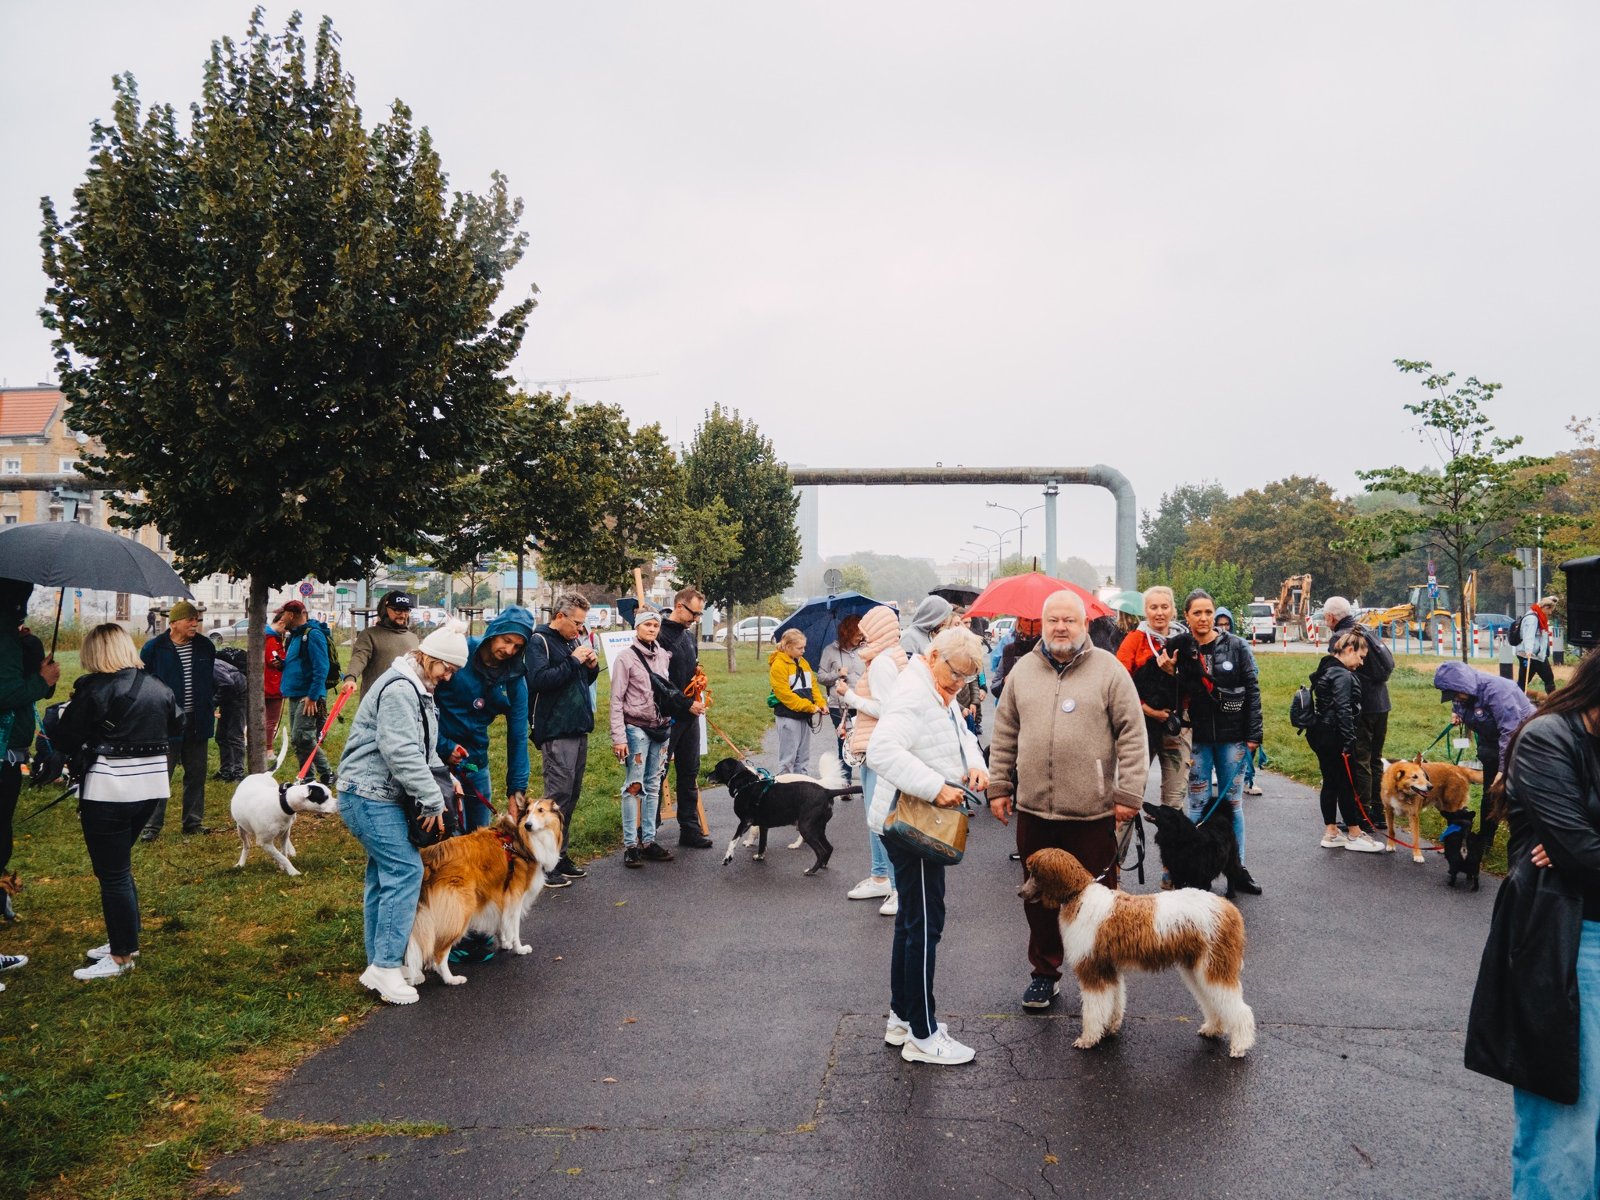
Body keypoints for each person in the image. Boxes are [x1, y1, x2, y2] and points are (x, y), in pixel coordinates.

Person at [1464, 649, 1600, 1197]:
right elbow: (1581, 852)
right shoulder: (1548, 738)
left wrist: (1577, 844)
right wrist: (1575, 846)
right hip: (1567, 940)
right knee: (1567, 1122)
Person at [989, 590, 1148, 1011]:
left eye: (1069, 620)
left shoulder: (1110, 671)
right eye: (1053, 620)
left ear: (1084, 624)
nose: (1061, 627)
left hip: (1092, 812)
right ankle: (1044, 974)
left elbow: (1133, 735)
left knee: (1099, 904)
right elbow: (1004, 734)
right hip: (1035, 811)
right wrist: (999, 787)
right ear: (1042, 624)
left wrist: (1129, 793)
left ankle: (1103, 978)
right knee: (1040, 900)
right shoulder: (1023, 671)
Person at [867, 625, 989, 1066]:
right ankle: (923, 1032)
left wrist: (974, 765)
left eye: (967, 678)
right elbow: (880, 752)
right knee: (924, 926)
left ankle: (902, 1018)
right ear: (934, 654)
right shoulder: (914, 694)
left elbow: (960, 735)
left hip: (917, 823)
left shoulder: (935, 685)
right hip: (912, 825)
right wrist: (937, 785)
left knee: (913, 923)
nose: (958, 684)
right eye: (954, 673)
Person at [336, 625, 468, 1005]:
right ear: (428, 657)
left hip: (378, 795)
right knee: (405, 871)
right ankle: (386, 967)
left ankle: (381, 962)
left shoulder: (417, 686)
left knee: (383, 875)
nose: (449, 676)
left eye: (454, 670)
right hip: (368, 795)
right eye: (447, 668)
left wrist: (446, 778)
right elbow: (400, 752)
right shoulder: (399, 689)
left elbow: (422, 748)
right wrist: (432, 799)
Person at [52, 624, 181, 979]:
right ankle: (124, 940)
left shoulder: (93, 690)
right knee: (119, 868)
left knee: (113, 873)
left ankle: (122, 955)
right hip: (151, 790)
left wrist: (63, 714)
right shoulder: (158, 687)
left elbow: (63, 738)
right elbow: (175, 725)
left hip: (109, 791)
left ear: (95, 653)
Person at [1161, 589, 1263, 894]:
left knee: (1232, 804)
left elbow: (1253, 691)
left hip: (1233, 739)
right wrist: (1169, 673)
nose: (1204, 618)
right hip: (1197, 738)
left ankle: (1237, 869)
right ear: (1187, 616)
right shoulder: (1178, 648)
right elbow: (1172, 697)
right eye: (1197, 613)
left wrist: (1254, 735)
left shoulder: (1237, 646)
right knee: (1197, 803)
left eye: (1209, 612)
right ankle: (1186, 870)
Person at [432, 608, 532, 834]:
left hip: (475, 763)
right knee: (450, 837)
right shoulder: (459, 653)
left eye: (517, 646)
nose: (509, 650)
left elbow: (517, 736)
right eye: (506, 640)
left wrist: (516, 792)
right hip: (437, 760)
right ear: (493, 632)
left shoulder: (515, 676)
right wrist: (443, 745)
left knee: (479, 837)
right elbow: (422, 707)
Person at [1432, 660, 1537, 870]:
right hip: (1492, 741)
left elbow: (1510, 731)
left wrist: (1503, 770)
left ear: (1464, 686)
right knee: (1492, 791)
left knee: (1520, 792)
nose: (1455, 699)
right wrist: (1459, 714)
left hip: (1524, 739)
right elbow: (1462, 706)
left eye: (1456, 694)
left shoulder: (1498, 690)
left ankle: (1530, 842)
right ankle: (1486, 839)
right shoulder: (1463, 695)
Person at [527, 593, 600, 888]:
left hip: (578, 726)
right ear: (560, 616)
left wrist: (590, 666)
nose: (580, 630)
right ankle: (543, 864)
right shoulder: (539, 642)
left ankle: (560, 854)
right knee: (555, 799)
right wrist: (573, 661)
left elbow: (580, 681)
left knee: (570, 798)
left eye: (584, 624)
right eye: (577, 623)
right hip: (556, 729)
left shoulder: (573, 641)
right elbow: (540, 681)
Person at [842, 606, 909, 914]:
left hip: (881, 749)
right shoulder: (889, 656)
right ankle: (881, 876)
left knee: (881, 818)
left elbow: (886, 710)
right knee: (876, 817)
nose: (861, 637)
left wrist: (850, 698)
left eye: (866, 632)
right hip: (876, 745)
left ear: (879, 631)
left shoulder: (882, 662)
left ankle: (896, 887)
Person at [1, 578, 59, 921]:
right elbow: (6, 695)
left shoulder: (16, 640)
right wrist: (42, 681)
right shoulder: (5, 640)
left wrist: (35, 660)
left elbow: (36, 690)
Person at [139, 599, 216, 840]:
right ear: (173, 623)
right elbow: (144, 685)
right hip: (166, 721)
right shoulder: (153, 649)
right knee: (161, 774)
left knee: (196, 774)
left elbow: (210, 681)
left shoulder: (205, 647)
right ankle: (151, 826)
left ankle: (193, 822)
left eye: (197, 619)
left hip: (198, 720)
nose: (195, 624)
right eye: (189, 620)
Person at [608, 609, 677, 867]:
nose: (651, 629)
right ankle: (630, 845)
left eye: (655, 625)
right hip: (635, 729)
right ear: (637, 627)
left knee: (654, 784)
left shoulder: (662, 656)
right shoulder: (625, 658)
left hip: (660, 727)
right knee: (633, 786)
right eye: (646, 625)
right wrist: (619, 737)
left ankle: (648, 840)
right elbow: (616, 699)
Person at [1306, 631, 1386, 852]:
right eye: (1361, 657)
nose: (1361, 663)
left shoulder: (1325, 670)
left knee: (1330, 783)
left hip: (1321, 734)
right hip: (1337, 737)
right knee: (1347, 785)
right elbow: (1343, 708)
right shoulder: (1343, 675)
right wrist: (1349, 740)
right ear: (1349, 650)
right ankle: (1354, 833)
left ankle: (1331, 832)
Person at [1324, 596, 1396, 835]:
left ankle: (1361, 814)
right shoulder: (1365, 629)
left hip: (1362, 706)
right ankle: (1379, 812)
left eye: (1326, 618)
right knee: (1376, 759)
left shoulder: (1342, 638)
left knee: (1361, 760)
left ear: (1331, 617)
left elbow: (1337, 674)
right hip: (1382, 703)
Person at [1115, 585, 1188, 816]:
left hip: (1176, 725)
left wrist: (1174, 673)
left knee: (1175, 799)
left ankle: (1174, 851)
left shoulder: (1185, 641)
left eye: (1164, 607)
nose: (1159, 612)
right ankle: (1115, 852)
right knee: (1128, 799)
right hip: (1140, 726)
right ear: (1145, 611)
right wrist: (1145, 709)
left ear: (1173, 610)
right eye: (1153, 607)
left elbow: (1200, 684)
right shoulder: (1134, 641)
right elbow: (1118, 683)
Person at [656, 587, 712, 848]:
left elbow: (689, 669)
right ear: (679, 606)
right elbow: (659, 680)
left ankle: (689, 828)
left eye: (700, 614)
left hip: (690, 715)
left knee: (690, 771)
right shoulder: (659, 634)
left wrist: (698, 680)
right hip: (667, 714)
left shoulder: (689, 637)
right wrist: (684, 702)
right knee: (658, 771)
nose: (696, 619)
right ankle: (648, 831)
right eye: (694, 613)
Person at [277, 599, 333, 787]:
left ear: (291, 615)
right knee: (298, 739)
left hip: (308, 695)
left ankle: (327, 773)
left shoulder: (313, 635)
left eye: (283, 613)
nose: (282, 617)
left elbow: (321, 667)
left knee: (303, 736)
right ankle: (307, 778)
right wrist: (283, 664)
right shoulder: (293, 636)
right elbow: (299, 662)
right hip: (295, 693)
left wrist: (313, 696)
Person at [1215, 608, 1267, 797]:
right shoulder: (1212, 645)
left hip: (1241, 701)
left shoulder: (1240, 644)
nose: (1223, 627)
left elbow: (1252, 673)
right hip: (1221, 703)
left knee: (1246, 745)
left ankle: (1248, 779)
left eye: (1226, 624)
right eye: (1219, 624)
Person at [341, 591, 421, 699]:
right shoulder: (369, 635)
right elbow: (359, 657)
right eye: (397, 610)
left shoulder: (413, 638)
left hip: (406, 703)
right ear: (384, 610)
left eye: (406, 610)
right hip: (375, 704)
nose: (403, 615)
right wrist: (350, 678)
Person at [769, 628, 827, 775]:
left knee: (803, 758)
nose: (803, 651)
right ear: (788, 647)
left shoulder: (803, 663)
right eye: (799, 648)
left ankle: (802, 789)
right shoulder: (778, 665)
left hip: (804, 716)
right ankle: (785, 791)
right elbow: (785, 695)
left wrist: (820, 703)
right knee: (788, 759)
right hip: (788, 716)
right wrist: (809, 707)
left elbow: (813, 686)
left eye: (804, 647)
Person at [817, 615, 866, 783]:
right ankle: (845, 784)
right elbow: (821, 677)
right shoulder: (830, 651)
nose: (861, 636)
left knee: (862, 743)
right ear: (847, 632)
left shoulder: (866, 649)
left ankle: (865, 784)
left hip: (862, 704)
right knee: (844, 742)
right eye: (858, 633)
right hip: (839, 705)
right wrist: (837, 674)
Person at [212, 651, 247, 782]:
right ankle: (226, 771)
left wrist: (213, 703)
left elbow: (227, 684)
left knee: (235, 735)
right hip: (227, 696)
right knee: (221, 736)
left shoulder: (213, 665)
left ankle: (238, 773)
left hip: (238, 694)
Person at [1515, 594, 1560, 694]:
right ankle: (1515, 702)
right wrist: (1529, 651)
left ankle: (1515, 699)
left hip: (1538, 655)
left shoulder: (1538, 616)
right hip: (1530, 655)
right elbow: (1528, 636)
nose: (1550, 612)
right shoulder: (1533, 618)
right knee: (1527, 681)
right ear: (1545, 607)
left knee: (1546, 678)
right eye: (1550, 609)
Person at [899, 594, 953, 658]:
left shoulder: (928, 635)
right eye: (942, 618)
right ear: (932, 616)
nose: (944, 622)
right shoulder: (909, 637)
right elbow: (905, 665)